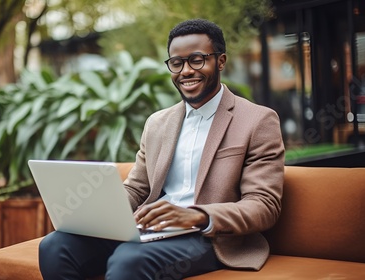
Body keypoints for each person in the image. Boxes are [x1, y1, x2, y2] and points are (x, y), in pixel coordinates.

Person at [39, 18, 285, 280]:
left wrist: (196, 216)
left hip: (209, 237)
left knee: (129, 260)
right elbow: (137, 187)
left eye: (197, 59)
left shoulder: (258, 120)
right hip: (152, 229)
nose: (186, 71)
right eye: (177, 63)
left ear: (221, 61)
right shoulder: (157, 123)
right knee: (55, 246)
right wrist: (101, 213)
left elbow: (264, 205)